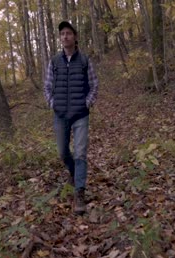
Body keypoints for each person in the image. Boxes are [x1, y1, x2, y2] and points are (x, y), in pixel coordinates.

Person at [44, 21, 98, 215]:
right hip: (60, 115)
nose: (65, 36)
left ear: (75, 37)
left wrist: (87, 102)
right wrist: (52, 103)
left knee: (80, 153)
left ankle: (79, 193)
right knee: (62, 153)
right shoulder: (54, 62)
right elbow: (47, 87)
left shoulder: (84, 61)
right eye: (62, 34)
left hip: (80, 115)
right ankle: (75, 174)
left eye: (68, 33)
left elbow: (94, 85)